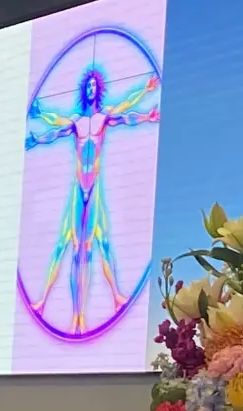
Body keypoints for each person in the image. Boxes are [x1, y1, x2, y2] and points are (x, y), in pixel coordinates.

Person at [25, 67, 160, 334]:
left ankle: (114, 297)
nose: (90, 91)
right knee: (67, 245)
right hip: (79, 189)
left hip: (94, 189)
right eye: (87, 87)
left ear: (99, 92)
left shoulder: (103, 118)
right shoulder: (76, 122)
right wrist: (38, 132)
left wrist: (146, 99)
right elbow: (56, 128)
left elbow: (126, 113)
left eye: (94, 88)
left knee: (101, 244)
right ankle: (48, 304)